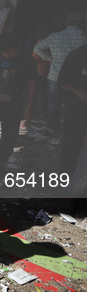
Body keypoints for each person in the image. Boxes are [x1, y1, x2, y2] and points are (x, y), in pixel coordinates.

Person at [0, 33, 37, 172]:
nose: (6, 55)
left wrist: (29, 108)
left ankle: (2, 161)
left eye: (10, 53)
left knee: (10, 138)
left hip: (13, 105)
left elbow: (32, 85)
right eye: (4, 52)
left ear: (18, 47)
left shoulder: (28, 61)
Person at [33, 12, 87, 129]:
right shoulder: (84, 37)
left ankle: (52, 124)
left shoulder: (55, 36)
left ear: (66, 23)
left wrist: (50, 59)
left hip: (55, 75)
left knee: (53, 102)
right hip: (75, 78)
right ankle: (69, 126)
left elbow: (37, 49)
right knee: (71, 103)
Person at [58, 43, 87, 176]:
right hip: (76, 111)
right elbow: (62, 80)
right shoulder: (77, 55)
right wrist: (78, 92)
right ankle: (65, 180)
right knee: (70, 147)